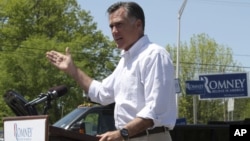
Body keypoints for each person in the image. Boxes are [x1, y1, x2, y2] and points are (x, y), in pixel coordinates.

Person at [46, 1, 176, 141]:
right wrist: (73, 70)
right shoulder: (125, 62)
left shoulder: (154, 55)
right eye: (111, 26)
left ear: (138, 25)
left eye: (119, 24)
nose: (114, 31)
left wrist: (122, 133)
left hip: (150, 137)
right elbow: (102, 93)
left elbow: (155, 110)